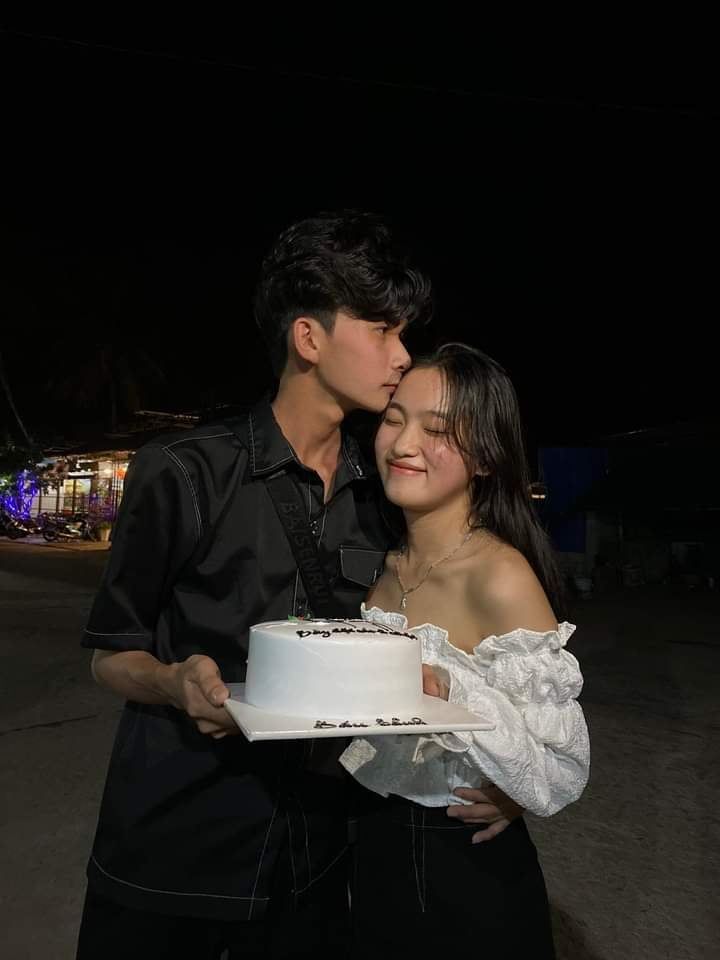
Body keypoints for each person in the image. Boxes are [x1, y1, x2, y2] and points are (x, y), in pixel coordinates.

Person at [75, 210, 434, 959]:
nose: (402, 355)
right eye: (381, 330)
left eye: (404, 334)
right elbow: (110, 651)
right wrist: (176, 683)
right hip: (175, 850)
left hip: (317, 858)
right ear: (309, 338)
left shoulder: (383, 491)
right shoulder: (183, 472)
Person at [341, 343, 590, 958]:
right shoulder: (384, 565)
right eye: (395, 418)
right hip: (367, 846)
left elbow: (562, 767)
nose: (402, 444)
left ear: (483, 456)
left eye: (439, 430)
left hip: (462, 865)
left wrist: (461, 702)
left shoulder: (499, 576)